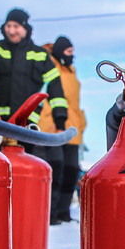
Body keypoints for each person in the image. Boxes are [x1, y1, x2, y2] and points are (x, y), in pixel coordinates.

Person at [0, 8, 65, 130]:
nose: (11, 31)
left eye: (16, 26)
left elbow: (55, 88)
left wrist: (60, 118)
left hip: (28, 125)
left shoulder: (40, 54)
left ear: (25, 28)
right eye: (8, 26)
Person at [36, 36, 87, 224]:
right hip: (53, 126)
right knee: (55, 170)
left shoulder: (72, 70)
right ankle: (51, 213)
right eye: (68, 52)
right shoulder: (49, 66)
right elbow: (47, 96)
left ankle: (64, 211)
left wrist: (81, 123)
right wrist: (52, 123)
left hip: (74, 127)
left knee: (71, 170)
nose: (71, 56)